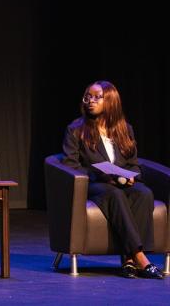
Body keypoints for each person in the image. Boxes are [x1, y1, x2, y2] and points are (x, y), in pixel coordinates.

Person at [62, 80, 164, 279]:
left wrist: (132, 177)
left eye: (97, 97)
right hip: (94, 184)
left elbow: (134, 163)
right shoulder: (76, 129)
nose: (90, 101)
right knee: (114, 194)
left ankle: (128, 261)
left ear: (111, 101)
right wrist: (100, 175)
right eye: (87, 97)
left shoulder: (124, 129)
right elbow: (70, 165)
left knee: (144, 193)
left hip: (121, 182)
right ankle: (140, 257)